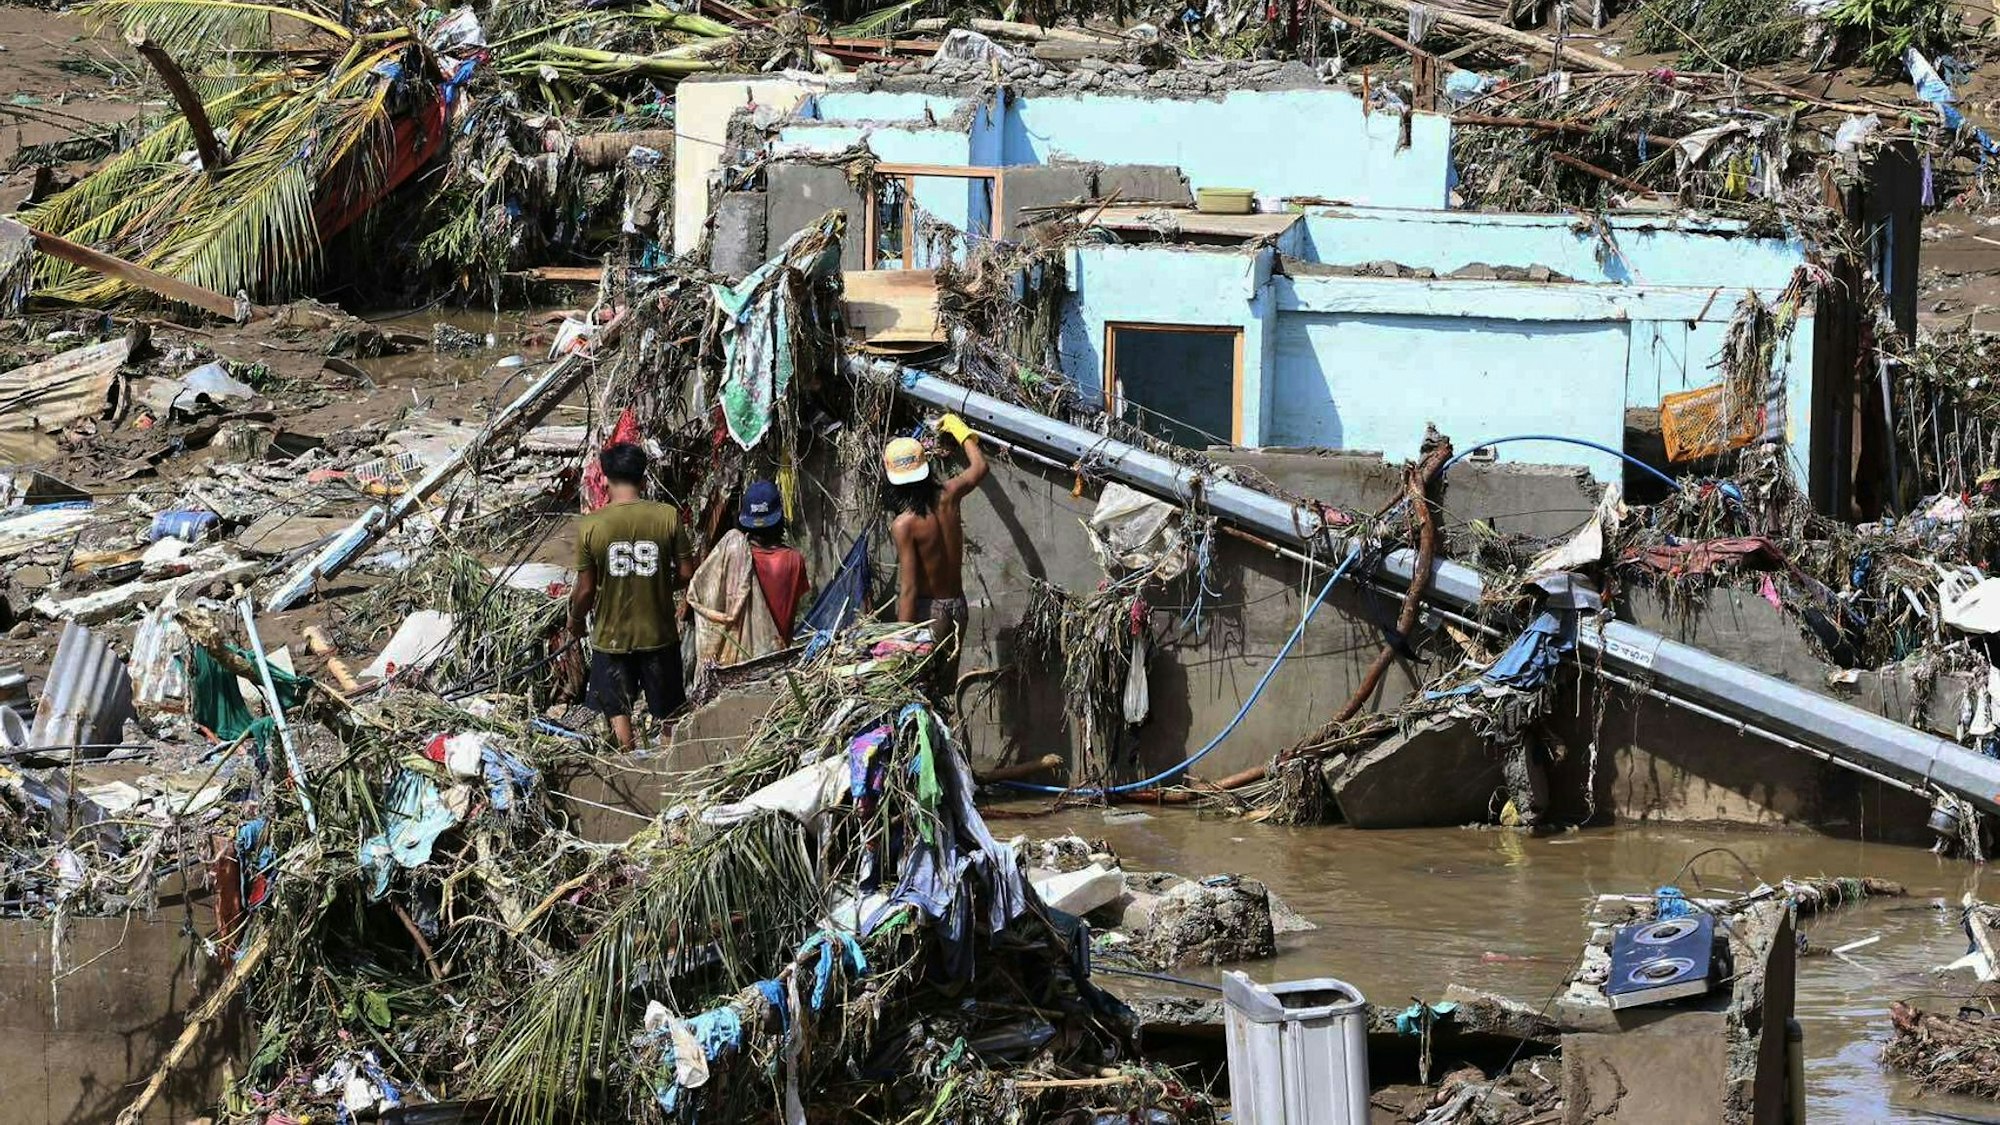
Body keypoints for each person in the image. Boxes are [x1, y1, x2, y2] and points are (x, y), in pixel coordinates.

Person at [567, 442, 695, 751]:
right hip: (659, 634)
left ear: (606, 478)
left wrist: (575, 620)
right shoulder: (667, 516)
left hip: (612, 638)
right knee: (670, 714)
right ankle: (671, 770)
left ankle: (628, 766)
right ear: (643, 479)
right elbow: (688, 573)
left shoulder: (590, 525)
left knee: (618, 711)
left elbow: (585, 589)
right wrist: (659, 586)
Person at [885, 413, 988, 694]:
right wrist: (960, 431)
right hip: (958, 608)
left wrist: (902, 643)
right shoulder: (949, 493)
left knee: (917, 695)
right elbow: (980, 467)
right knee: (943, 694)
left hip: (929, 613)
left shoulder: (904, 524)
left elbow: (909, 589)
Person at [687, 480, 806, 672]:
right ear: (779, 517)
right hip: (776, 662)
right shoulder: (795, 561)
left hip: (733, 667)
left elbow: (703, 594)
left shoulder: (731, 556)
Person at [741, 479, 810, 642]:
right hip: (779, 655)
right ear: (779, 518)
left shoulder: (738, 558)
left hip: (742, 657)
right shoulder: (794, 560)